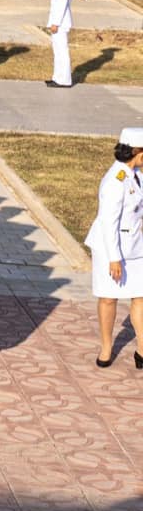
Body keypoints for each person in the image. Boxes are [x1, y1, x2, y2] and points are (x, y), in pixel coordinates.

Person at [86, 127, 143, 369]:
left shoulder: (136, 174)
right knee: (109, 298)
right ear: (137, 152)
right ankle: (107, 348)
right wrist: (114, 258)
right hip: (111, 248)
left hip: (136, 246)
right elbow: (109, 222)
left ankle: (142, 348)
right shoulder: (114, 181)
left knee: (140, 297)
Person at [45, 0, 75, 88]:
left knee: (62, 51)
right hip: (58, 21)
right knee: (57, 51)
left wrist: (55, 23)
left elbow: (62, 4)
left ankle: (64, 79)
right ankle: (57, 77)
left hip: (61, 22)